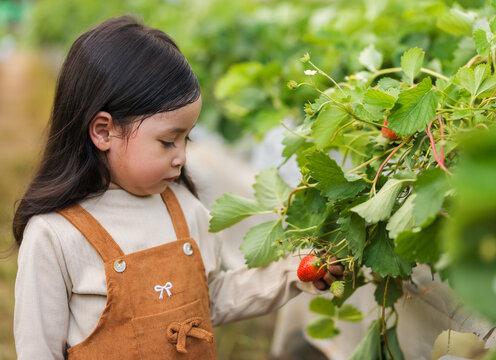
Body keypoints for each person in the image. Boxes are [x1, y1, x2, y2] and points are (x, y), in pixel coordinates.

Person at [12, 15, 337, 359]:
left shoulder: (183, 208)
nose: (182, 156)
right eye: (168, 141)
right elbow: (38, 348)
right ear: (104, 131)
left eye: (187, 138)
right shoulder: (55, 234)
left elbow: (210, 298)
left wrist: (293, 274)